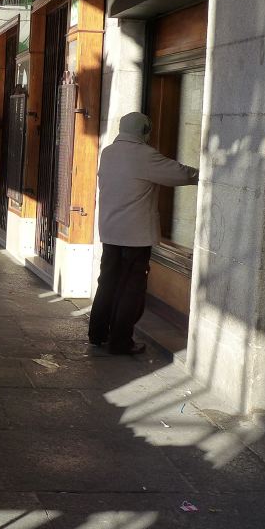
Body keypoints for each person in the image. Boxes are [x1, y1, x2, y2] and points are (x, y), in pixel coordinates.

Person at [88, 111, 198, 355]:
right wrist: (204, 174)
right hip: (134, 236)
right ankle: (120, 341)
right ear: (143, 131)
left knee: (107, 282)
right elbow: (178, 173)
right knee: (131, 287)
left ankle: (97, 333)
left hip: (110, 231)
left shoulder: (108, 153)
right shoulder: (144, 155)